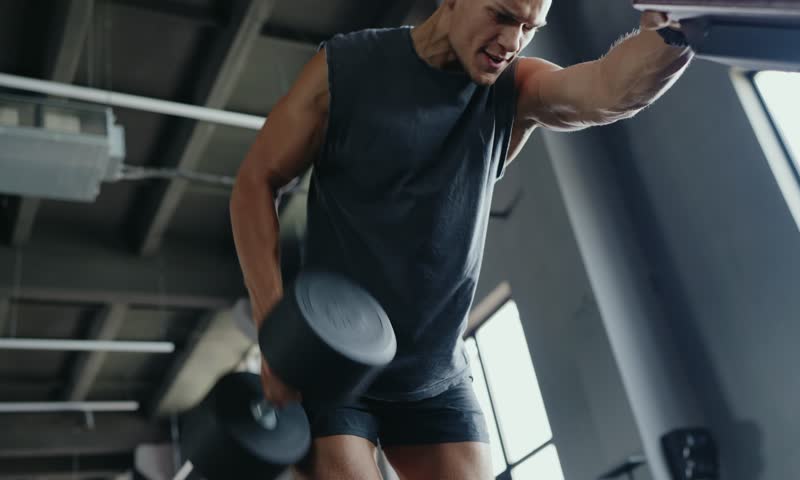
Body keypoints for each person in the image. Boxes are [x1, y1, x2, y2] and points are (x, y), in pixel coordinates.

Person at [230, 0, 693, 478]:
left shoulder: (514, 89)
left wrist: (678, 27)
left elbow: (605, 93)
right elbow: (254, 184)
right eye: (501, 15)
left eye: (529, 28)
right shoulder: (349, 67)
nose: (512, 42)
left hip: (435, 373)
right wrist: (277, 337)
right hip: (334, 366)